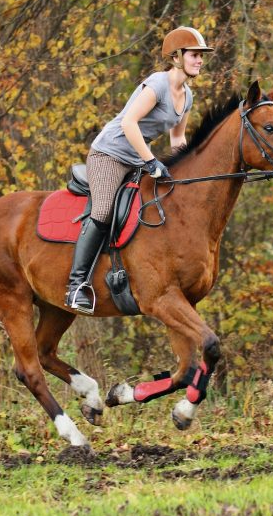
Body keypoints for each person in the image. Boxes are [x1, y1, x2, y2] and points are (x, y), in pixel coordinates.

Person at [65, 26, 214, 314]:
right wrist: (150, 161)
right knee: (104, 210)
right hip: (108, 154)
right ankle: (76, 285)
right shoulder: (157, 84)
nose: (200, 61)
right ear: (176, 57)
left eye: (201, 56)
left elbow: (177, 140)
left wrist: (183, 172)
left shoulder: (187, 96)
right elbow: (129, 124)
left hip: (136, 159)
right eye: (195, 55)